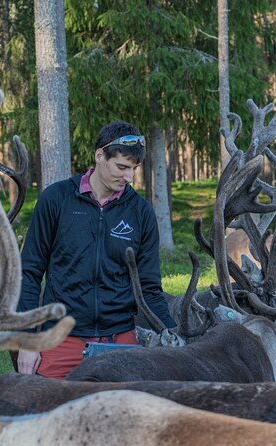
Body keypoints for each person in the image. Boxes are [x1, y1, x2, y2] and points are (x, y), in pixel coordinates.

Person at [16, 121, 176, 379]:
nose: (129, 177)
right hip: (62, 336)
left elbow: (149, 288)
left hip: (121, 339)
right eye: (122, 167)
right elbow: (30, 272)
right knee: (48, 411)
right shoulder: (56, 200)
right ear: (99, 156)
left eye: (133, 169)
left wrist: (171, 336)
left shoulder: (141, 212)